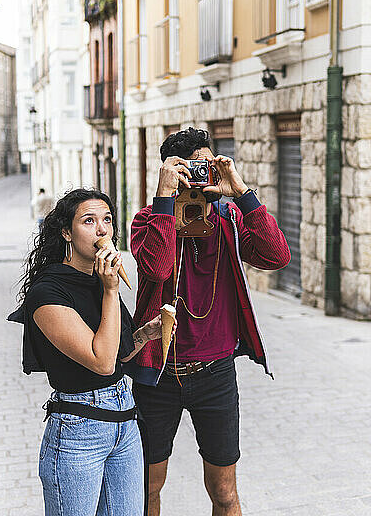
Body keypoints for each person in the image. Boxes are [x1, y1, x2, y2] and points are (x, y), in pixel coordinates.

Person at [130, 128, 291, 516]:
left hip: (214, 374)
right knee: (147, 490)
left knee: (225, 493)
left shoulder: (229, 219)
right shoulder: (148, 221)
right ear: (170, 170)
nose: (200, 176)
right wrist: (165, 200)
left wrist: (242, 192)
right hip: (158, 374)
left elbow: (277, 256)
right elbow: (158, 265)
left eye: (207, 166)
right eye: (191, 168)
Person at [13, 189, 169, 516]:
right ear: (66, 232)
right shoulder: (47, 292)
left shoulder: (99, 281)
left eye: (107, 220)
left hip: (124, 422)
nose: (102, 231)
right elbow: (101, 361)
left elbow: (120, 356)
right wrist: (111, 291)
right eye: (89, 221)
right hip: (78, 429)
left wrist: (144, 335)